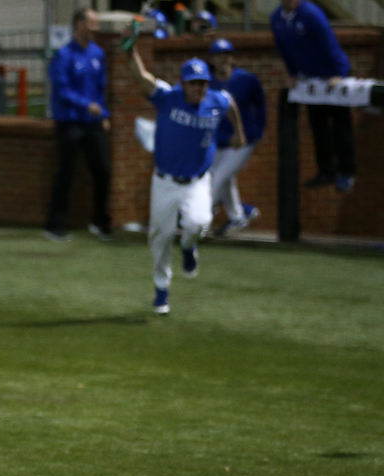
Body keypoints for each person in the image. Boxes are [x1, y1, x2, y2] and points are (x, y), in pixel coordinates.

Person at [127, 38, 245, 315]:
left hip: (197, 180)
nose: (198, 88)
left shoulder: (216, 100)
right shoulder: (168, 97)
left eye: (202, 82)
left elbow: (230, 105)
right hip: (165, 181)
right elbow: (141, 77)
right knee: (160, 236)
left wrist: (239, 132)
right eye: (193, 83)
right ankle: (161, 290)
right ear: (183, 83)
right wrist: (129, 49)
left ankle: (189, 247)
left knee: (199, 222)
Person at [270, 0, 355, 192]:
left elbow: (329, 42)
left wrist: (339, 73)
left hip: (332, 76)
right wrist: (293, 74)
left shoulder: (311, 14)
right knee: (319, 126)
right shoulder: (276, 19)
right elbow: (283, 49)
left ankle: (346, 172)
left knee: (341, 126)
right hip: (311, 80)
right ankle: (326, 171)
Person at [44, 8, 111, 243]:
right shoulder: (63, 55)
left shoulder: (98, 54)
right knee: (66, 173)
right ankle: (55, 225)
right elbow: (62, 90)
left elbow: (101, 90)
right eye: (92, 23)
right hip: (70, 122)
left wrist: (103, 114)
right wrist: (86, 105)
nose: (96, 28)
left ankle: (100, 222)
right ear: (79, 24)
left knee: (103, 171)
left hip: (93, 123)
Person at [208, 38, 266, 235]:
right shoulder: (208, 83)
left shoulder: (246, 79)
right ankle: (238, 216)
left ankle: (200, 219)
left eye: (227, 55)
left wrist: (257, 130)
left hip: (243, 140)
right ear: (212, 59)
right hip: (219, 140)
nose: (223, 60)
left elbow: (260, 104)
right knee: (224, 178)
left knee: (218, 177)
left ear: (232, 58)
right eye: (219, 56)